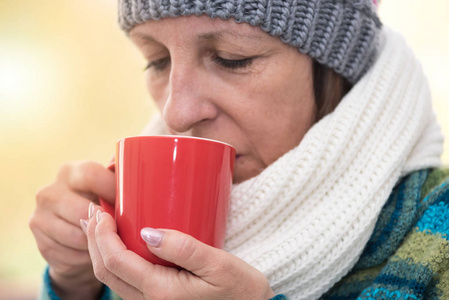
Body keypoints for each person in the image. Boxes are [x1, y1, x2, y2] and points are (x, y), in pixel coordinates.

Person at [30, 0, 449, 299]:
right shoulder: (136, 218)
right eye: (157, 60)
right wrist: (77, 284)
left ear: (338, 72)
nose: (177, 114)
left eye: (233, 58)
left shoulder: (437, 234)